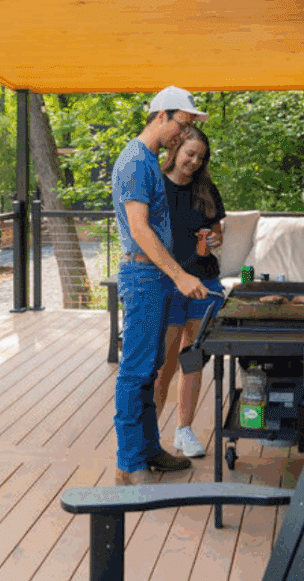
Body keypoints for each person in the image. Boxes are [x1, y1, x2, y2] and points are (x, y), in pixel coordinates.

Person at [110, 86, 209, 485]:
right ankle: (129, 463)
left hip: (155, 279)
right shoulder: (135, 161)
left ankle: (150, 449)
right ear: (161, 115)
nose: (184, 137)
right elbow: (139, 230)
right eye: (182, 126)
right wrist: (179, 275)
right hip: (143, 277)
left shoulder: (149, 161)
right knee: (135, 371)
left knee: (151, 368)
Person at [152, 125, 225, 458]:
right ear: (175, 150)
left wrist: (215, 239)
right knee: (164, 364)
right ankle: (150, 438)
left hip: (203, 282)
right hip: (168, 282)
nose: (194, 162)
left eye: (200, 157)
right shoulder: (154, 185)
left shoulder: (206, 188)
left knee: (191, 358)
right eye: (189, 154)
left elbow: (216, 232)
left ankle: (184, 431)